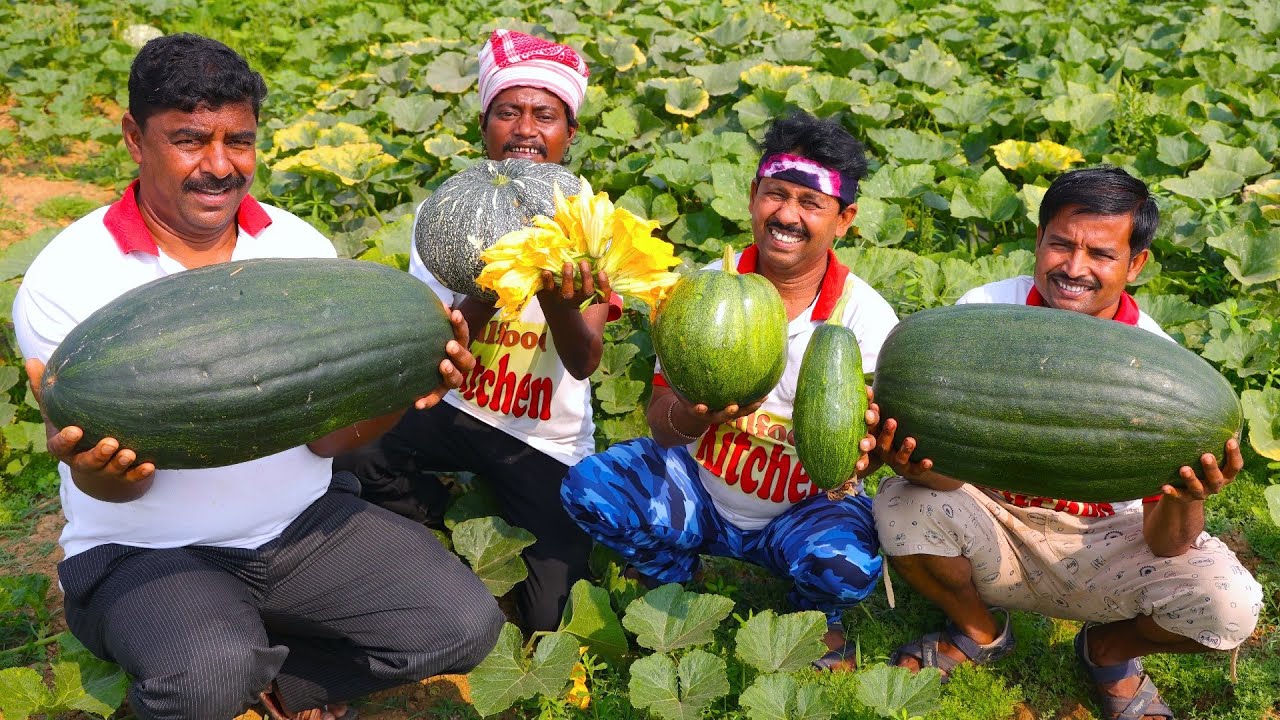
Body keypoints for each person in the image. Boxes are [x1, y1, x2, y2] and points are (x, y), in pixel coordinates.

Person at [13, 34, 503, 720]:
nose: (219, 166)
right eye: (189, 140)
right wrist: (97, 469)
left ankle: (278, 685)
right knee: (208, 670)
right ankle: (212, 675)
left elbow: (331, 441)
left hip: (301, 528)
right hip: (146, 552)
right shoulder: (69, 279)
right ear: (134, 137)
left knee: (462, 623)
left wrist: (402, 387)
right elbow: (113, 485)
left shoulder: (300, 251)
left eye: (238, 141)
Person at [872, 167, 1262, 719]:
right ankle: (981, 631)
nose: (1074, 269)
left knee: (1231, 605)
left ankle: (1107, 651)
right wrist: (915, 464)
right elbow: (945, 478)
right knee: (901, 502)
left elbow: (1167, 545)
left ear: (1136, 263)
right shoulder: (982, 316)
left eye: (1101, 254)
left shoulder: (1158, 363)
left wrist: (1187, 494)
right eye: (1060, 244)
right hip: (995, 523)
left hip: (1105, 542)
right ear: (1038, 241)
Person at [560, 112, 899, 671]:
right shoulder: (700, 295)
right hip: (701, 492)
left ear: (845, 220)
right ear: (753, 196)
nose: (787, 215)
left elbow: (861, 456)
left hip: (802, 509)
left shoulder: (864, 318)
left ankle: (813, 611)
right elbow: (660, 421)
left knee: (847, 567)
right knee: (591, 488)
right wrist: (697, 419)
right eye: (775, 194)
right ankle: (676, 574)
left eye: (810, 203)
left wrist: (868, 457)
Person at [336, 29, 617, 633]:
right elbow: (438, 345)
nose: (525, 129)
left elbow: (584, 360)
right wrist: (501, 276)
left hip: (542, 435)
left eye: (545, 115)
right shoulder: (448, 212)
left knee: (549, 619)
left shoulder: (592, 225)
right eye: (507, 112)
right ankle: (439, 513)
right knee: (353, 452)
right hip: (454, 407)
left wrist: (551, 289)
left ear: (570, 134)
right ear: (483, 125)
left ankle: (503, 522)